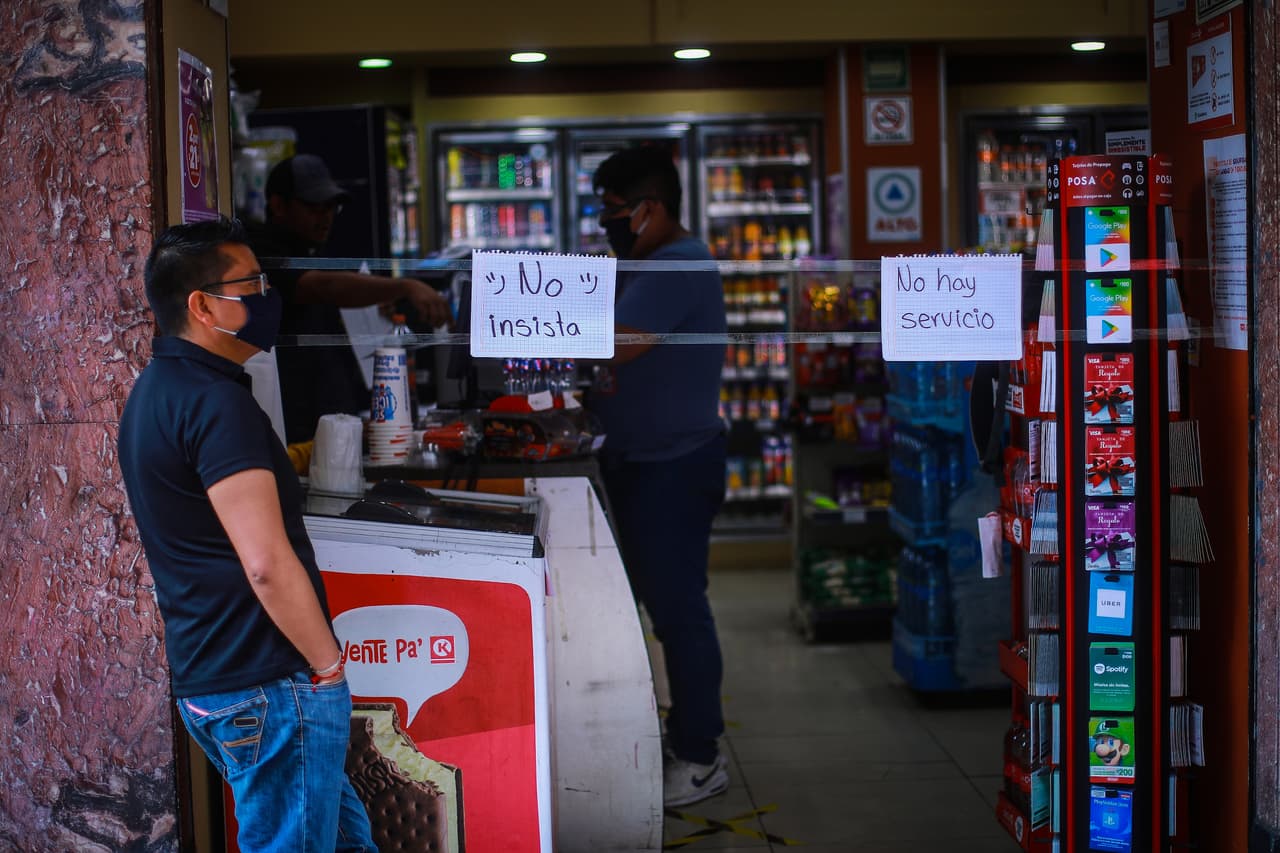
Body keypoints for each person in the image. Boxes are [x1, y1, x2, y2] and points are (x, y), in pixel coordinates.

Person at [118, 218, 377, 852]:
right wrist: (327, 669)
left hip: (220, 675)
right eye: (252, 285)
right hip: (268, 682)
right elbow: (264, 561)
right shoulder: (215, 404)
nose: (268, 298)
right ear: (202, 305)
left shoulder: (157, 393)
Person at [588, 147, 730, 807]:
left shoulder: (679, 262)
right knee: (660, 608)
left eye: (613, 210)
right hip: (643, 459)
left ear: (650, 208)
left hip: (672, 465)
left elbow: (617, 340)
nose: (606, 222)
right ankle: (682, 736)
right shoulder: (647, 262)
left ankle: (701, 755)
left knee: (678, 613)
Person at [250, 153, 451, 443]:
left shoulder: (312, 252)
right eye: (313, 207)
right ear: (278, 205)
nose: (326, 217)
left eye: (332, 207)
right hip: (295, 431)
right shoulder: (262, 251)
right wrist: (403, 287)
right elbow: (320, 287)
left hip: (333, 422)